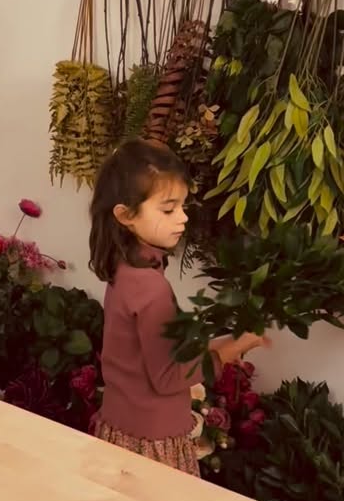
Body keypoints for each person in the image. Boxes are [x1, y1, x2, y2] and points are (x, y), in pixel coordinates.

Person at [88, 138, 270, 476]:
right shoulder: (151, 287)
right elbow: (168, 376)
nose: (183, 218)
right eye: (169, 209)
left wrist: (220, 341)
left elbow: (149, 355)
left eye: (183, 206)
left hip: (120, 425)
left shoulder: (123, 268)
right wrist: (235, 347)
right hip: (153, 439)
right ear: (126, 215)